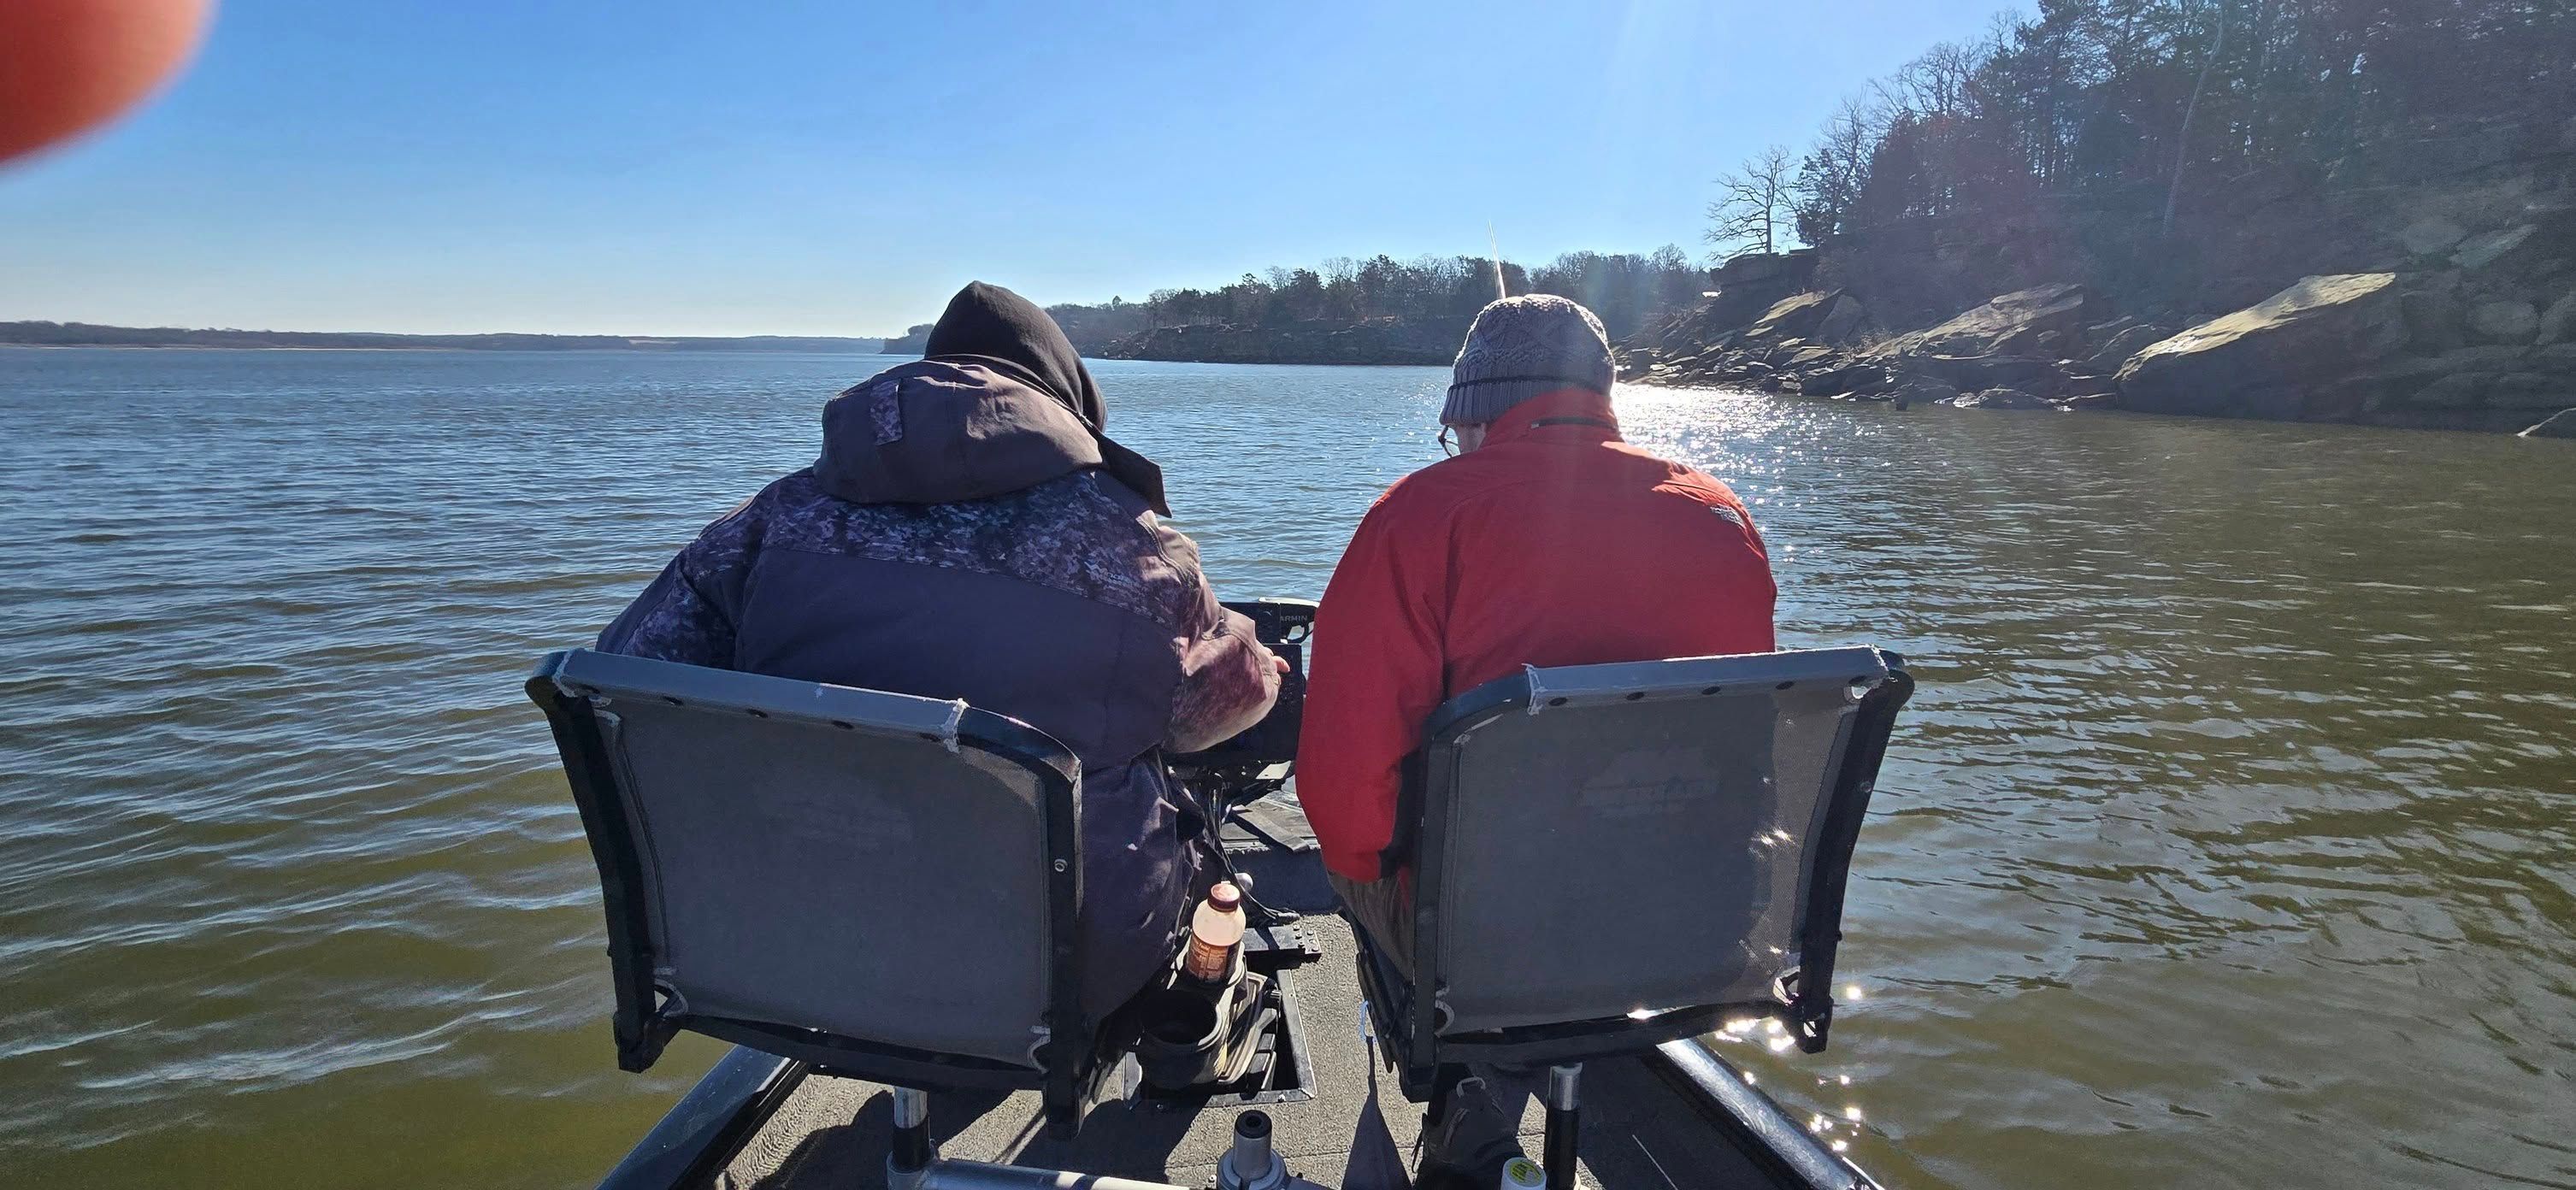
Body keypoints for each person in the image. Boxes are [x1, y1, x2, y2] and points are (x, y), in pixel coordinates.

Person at [598, 281, 1284, 1021]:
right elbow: (1218, 710)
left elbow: (626, 690)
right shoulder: (1132, 544)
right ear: (1067, 401)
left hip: (784, 943)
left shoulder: (765, 525)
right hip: (1063, 970)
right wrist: (1257, 664)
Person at [1294, 294, 1777, 1180]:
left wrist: (1373, 870)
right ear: (1603, 397)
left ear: (1468, 413)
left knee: (1338, 858)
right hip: (1694, 923)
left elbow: (1343, 798)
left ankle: (1458, 1073)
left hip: (1488, 939)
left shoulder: (1419, 517)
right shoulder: (1720, 514)